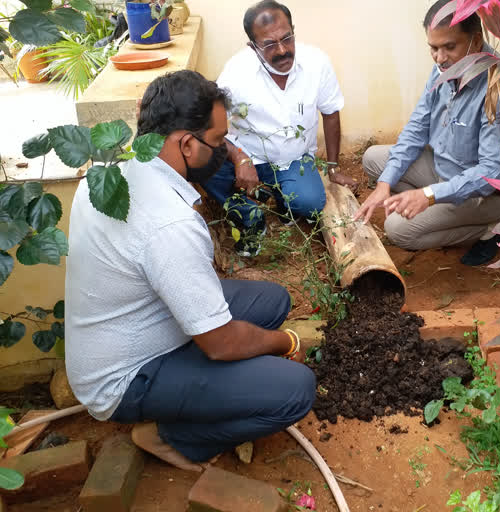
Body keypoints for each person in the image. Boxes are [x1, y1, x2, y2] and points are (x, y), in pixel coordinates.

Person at [65, 70, 315, 471]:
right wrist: (285, 343)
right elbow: (222, 344)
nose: (222, 150)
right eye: (218, 142)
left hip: (135, 323)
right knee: (296, 390)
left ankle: (199, 388)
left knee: (272, 300)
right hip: (122, 378)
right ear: (185, 144)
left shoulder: (107, 175)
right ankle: (171, 437)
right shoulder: (170, 224)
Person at [354, 0, 500, 266]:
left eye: (449, 47)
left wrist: (429, 195)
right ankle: (433, 205)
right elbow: (417, 127)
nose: (440, 58)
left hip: (484, 194)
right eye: (433, 48)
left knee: (398, 230)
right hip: (443, 168)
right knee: (374, 159)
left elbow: (493, 172)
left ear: (476, 41)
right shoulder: (443, 68)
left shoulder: (498, 86)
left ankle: (493, 228)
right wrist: (385, 184)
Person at [201, 0, 357, 254]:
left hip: (293, 159)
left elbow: (330, 113)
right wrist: (239, 157)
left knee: (309, 203)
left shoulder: (317, 63)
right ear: (252, 46)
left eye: (287, 38)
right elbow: (210, 125)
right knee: (204, 164)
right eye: (270, 44)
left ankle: (282, 199)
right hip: (248, 160)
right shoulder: (236, 72)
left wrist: (333, 167)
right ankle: (250, 216)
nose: (283, 50)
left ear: (294, 31)